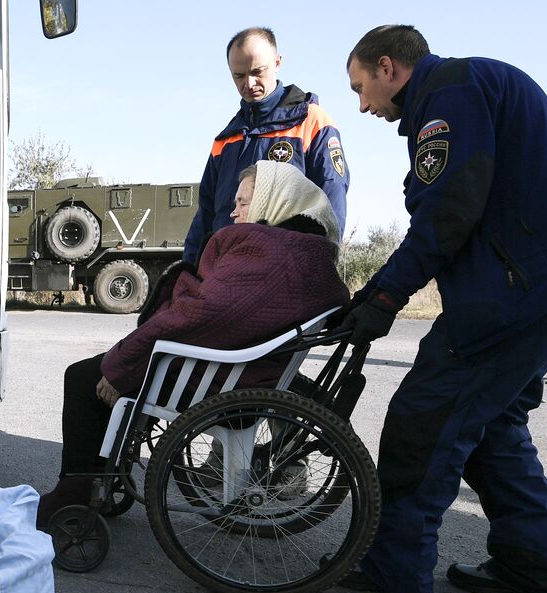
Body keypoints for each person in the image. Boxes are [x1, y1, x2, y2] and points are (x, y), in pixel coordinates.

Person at [337, 25, 547, 593]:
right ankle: (536, 568)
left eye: (360, 87)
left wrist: (383, 297)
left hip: (517, 291)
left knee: (424, 417)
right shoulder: (473, 84)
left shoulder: (448, 94)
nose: (364, 104)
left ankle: (397, 568)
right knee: (491, 426)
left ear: (388, 66)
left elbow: (448, 210)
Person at [38, 161, 350, 528]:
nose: (234, 210)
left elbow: (201, 315)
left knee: (83, 377)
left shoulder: (267, 249)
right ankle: (99, 480)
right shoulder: (309, 251)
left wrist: (124, 363)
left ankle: (75, 492)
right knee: (103, 368)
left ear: (274, 200)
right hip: (244, 370)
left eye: (245, 202)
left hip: (217, 378)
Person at [181, 27, 350, 268]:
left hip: (286, 273)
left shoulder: (312, 122)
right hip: (225, 272)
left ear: (277, 62)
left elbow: (332, 203)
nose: (248, 83)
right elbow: (206, 214)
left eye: (257, 72)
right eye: (238, 76)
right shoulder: (225, 139)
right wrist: (187, 271)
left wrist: (318, 269)